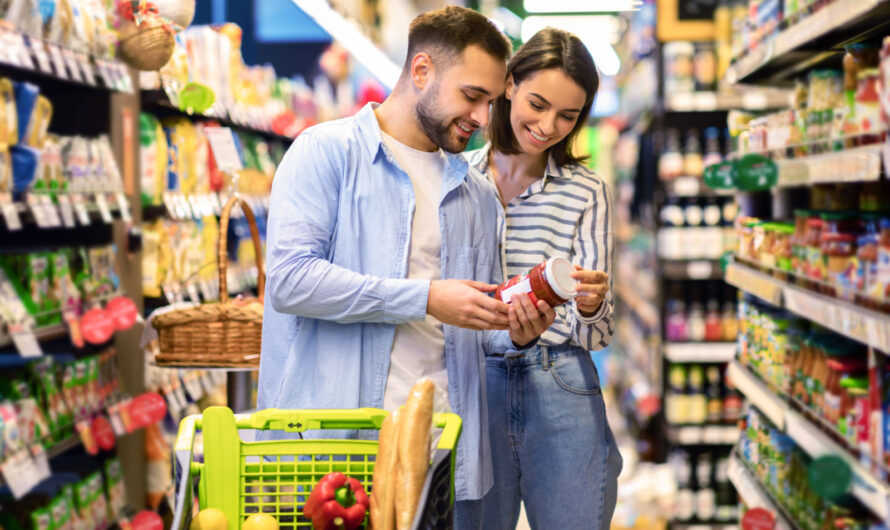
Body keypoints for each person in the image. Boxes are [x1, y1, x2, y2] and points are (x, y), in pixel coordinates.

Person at [257, 6, 556, 527]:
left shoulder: (477, 195)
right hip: (331, 450)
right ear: (421, 71)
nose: (484, 118)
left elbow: (475, 332)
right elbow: (290, 280)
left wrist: (518, 331)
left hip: (439, 455)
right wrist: (424, 296)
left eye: (491, 102)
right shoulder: (325, 154)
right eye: (471, 96)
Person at [464, 28, 622, 530]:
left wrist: (593, 304)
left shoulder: (587, 191)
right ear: (509, 84)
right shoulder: (457, 179)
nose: (547, 125)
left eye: (568, 116)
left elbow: (597, 335)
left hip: (561, 381)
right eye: (537, 103)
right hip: (473, 381)